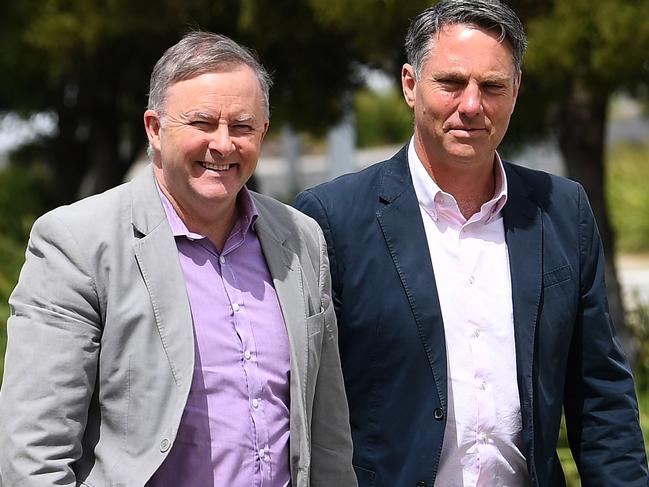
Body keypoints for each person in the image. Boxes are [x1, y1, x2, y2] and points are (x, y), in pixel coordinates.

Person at [294, 1, 648, 485]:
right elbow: (306, 406)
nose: (472, 105)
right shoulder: (333, 220)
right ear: (409, 84)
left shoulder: (562, 212)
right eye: (452, 83)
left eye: (493, 86)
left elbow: (601, 396)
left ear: (516, 90)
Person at [0, 31, 356, 487]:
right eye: (202, 123)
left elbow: (326, 436)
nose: (223, 144)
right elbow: (34, 454)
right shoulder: (79, 243)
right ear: (154, 128)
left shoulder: (300, 238)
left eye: (242, 126)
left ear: (263, 132)